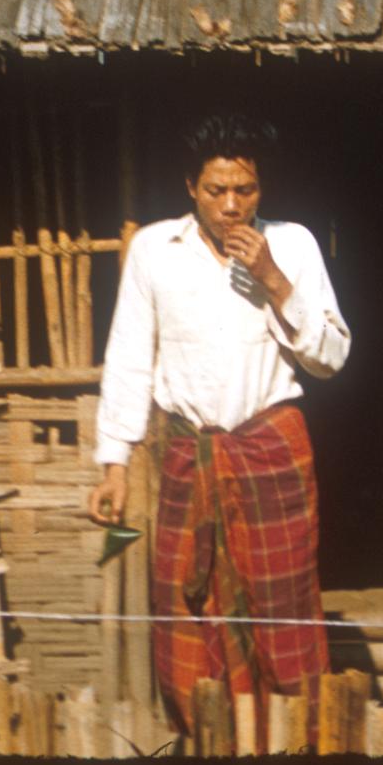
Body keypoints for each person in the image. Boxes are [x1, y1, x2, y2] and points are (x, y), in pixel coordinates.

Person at [88, 112, 350, 731]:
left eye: (246, 190)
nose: (231, 206)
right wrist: (114, 464)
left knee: (283, 608)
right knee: (188, 603)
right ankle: (210, 745)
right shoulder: (156, 249)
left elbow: (333, 359)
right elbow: (129, 356)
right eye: (216, 191)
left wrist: (275, 282)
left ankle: (295, 751)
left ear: (263, 187)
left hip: (271, 450)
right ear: (190, 186)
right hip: (190, 456)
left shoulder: (294, 245)